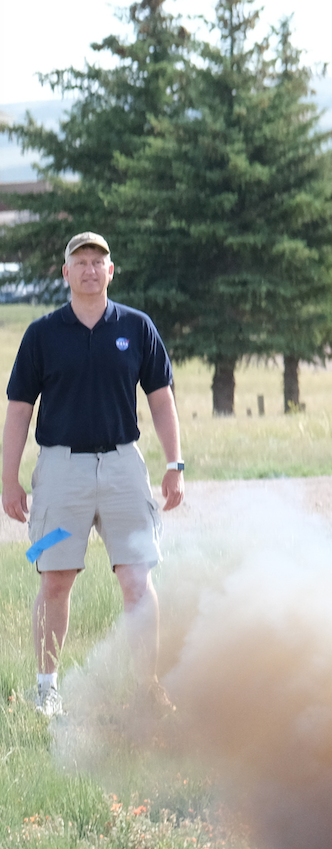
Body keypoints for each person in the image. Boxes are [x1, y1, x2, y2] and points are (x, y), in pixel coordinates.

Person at [2, 233, 186, 718]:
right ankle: (46, 690)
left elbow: (162, 400)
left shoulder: (137, 327)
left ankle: (147, 688)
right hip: (60, 471)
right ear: (65, 273)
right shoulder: (42, 334)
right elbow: (19, 410)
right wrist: (9, 480)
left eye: (97, 262)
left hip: (125, 467)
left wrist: (174, 465)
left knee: (137, 578)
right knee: (55, 577)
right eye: (79, 262)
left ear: (111, 271)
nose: (89, 269)